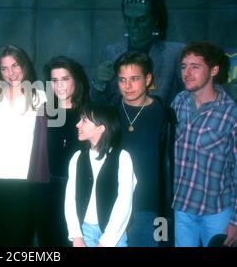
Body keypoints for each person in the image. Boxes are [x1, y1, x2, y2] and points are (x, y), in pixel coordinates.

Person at [0, 44, 46, 246]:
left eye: (15, 66)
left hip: (23, 179)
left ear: (24, 65)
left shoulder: (41, 96)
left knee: (19, 240)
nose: (10, 73)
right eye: (4, 68)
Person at [171, 42, 236, 247]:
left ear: (214, 70)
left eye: (195, 66)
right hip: (181, 207)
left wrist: (235, 220)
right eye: (184, 66)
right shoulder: (178, 102)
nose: (187, 73)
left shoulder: (231, 113)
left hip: (217, 212)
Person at [114, 51, 175, 247]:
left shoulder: (165, 114)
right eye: (122, 80)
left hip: (153, 206)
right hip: (114, 205)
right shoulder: (109, 113)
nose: (128, 86)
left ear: (148, 79)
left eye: (134, 79)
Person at [31, 56, 89, 246]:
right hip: (48, 191)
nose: (60, 86)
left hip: (81, 190)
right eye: (54, 81)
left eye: (65, 79)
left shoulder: (89, 113)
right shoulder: (44, 113)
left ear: (76, 80)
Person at [91, 0, 185, 105]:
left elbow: (189, 96)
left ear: (155, 21)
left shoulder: (174, 54)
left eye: (141, 19)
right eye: (128, 19)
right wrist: (98, 83)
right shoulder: (110, 52)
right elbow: (97, 102)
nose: (133, 25)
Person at [64, 103, 137, 247]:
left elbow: (124, 203)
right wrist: (76, 235)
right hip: (83, 232)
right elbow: (70, 198)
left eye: (84, 120)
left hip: (114, 236)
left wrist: (106, 242)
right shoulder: (77, 157)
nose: (78, 124)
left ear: (101, 127)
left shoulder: (123, 158)